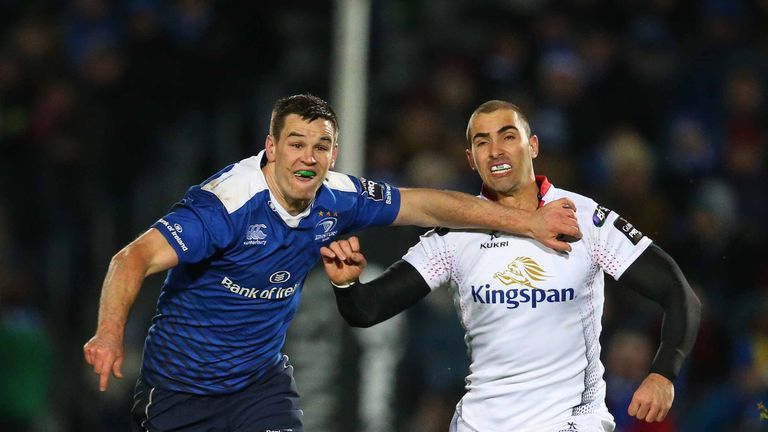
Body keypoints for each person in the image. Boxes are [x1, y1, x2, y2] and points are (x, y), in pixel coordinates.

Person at [82, 94, 581, 432]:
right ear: (272, 148)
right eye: (296, 144)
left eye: (321, 147)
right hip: (179, 392)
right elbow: (132, 258)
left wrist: (529, 223)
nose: (309, 157)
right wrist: (108, 333)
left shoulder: (337, 198)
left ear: (333, 152)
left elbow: (428, 205)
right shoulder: (225, 207)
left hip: (259, 386)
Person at [321, 100, 702, 432]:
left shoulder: (585, 218)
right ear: (470, 159)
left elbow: (677, 292)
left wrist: (663, 373)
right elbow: (367, 309)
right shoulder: (455, 234)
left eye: (507, 136)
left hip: (570, 423)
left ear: (532, 146)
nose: (495, 151)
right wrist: (346, 284)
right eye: (481, 142)